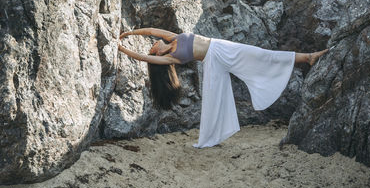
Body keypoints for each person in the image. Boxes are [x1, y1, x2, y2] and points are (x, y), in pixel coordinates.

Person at [118, 28, 328, 148]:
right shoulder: (170, 57)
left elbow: (151, 30)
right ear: (156, 54)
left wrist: (129, 33)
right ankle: (210, 137)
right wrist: (121, 48)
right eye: (151, 48)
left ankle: (308, 58)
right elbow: (143, 57)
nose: (151, 44)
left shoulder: (171, 38)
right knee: (213, 100)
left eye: (151, 45)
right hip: (213, 61)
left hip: (221, 46)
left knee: (262, 55)